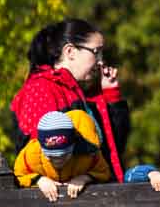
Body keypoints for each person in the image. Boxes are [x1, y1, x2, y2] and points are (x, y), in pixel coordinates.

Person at [10, 19, 129, 183]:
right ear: (70, 52)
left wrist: (111, 96)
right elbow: (43, 154)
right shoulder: (41, 90)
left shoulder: (76, 92)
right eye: (96, 52)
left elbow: (109, 149)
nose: (101, 60)